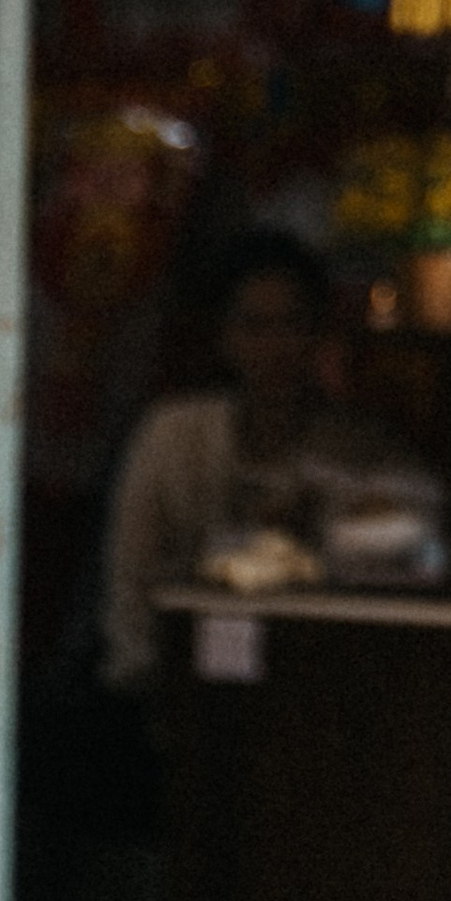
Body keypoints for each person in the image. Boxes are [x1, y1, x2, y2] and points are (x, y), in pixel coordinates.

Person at [100, 228, 381, 690]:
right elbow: (130, 581)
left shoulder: (356, 448)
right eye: (255, 327)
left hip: (316, 689)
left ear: (319, 335)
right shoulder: (172, 435)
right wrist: (145, 685)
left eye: (292, 325)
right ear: (224, 336)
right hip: (178, 688)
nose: (276, 347)